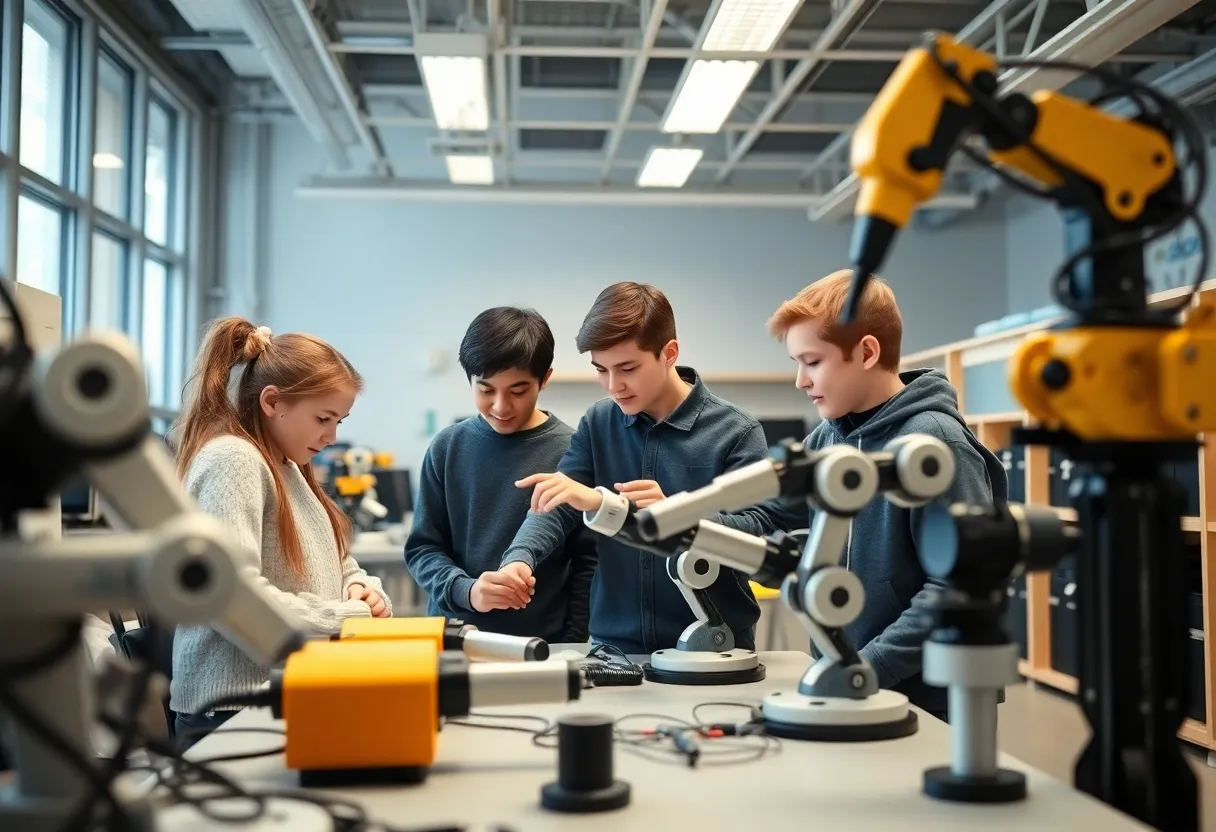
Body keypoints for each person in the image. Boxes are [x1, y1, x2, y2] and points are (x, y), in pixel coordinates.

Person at [500, 282, 802, 654]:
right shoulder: (599, 423)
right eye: (601, 370)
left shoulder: (736, 432)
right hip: (615, 649)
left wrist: (679, 513)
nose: (613, 386)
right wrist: (519, 558)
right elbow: (559, 502)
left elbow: (763, 534)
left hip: (716, 650)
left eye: (627, 368)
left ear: (669, 353)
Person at [767, 269, 1008, 722]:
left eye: (812, 361)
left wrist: (866, 668)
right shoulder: (828, 439)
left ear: (867, 352)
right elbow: (773, 517)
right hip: (848, 680)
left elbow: (959, 586)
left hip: (930, 694)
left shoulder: (937, 444)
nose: (800, 380)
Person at [169, 317, 392, 742]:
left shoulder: (289, 465)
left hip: (282, 696)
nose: (330, 436)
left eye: (339, 422)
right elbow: (231, 598)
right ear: (272, 402)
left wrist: (363, 589)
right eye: (323, 418)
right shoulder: (233, 461)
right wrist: (348, 617)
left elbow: (338, 560)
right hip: (232, 709)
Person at [405, 307, 596, 643]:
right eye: (486, 389)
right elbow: (423, 548)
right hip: (452, 641)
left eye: (518, 391)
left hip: (543, 648)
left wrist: (574, 642)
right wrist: (467, 590)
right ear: (470, 379)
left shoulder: (573, 452)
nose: (501, 406)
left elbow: (588, 563)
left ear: (545, 379)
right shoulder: (448, 447)